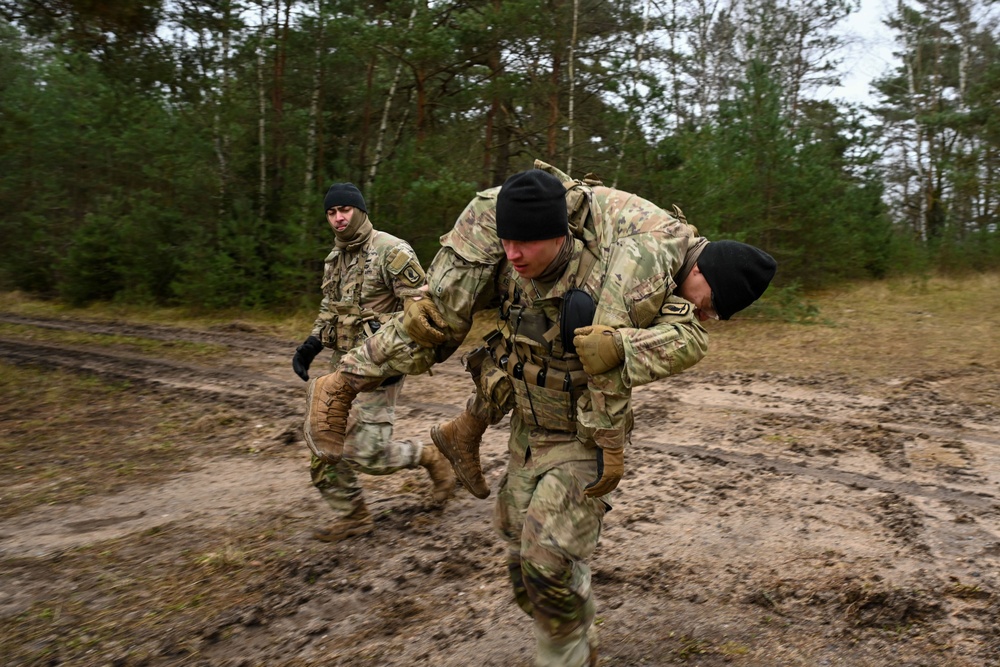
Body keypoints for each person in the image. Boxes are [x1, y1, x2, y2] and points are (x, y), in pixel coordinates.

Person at [303, 163, 776, 665]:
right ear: (704, 275)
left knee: (545, 563)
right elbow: (603, 362)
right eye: (714, 307)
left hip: (570, 431)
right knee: (434, 327)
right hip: (532, 405)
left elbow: (637, 348)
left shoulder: (650, 260)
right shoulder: (646, 255)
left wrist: (609, 441)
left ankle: (570, 646)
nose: (707, 316)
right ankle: (343, 383)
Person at [291, 182, 455, 543]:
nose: (338, 218)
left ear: (360, 211)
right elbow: (330, 309)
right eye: (331, 212)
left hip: (382, 365)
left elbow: (422, 311)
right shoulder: (335, 258)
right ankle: (353, 516)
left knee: (369, 454)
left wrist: (405, 351)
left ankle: (429, 457)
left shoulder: (391, 251)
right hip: (341, 365)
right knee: (324, 444)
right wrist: (312, 343)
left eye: (344, 210)